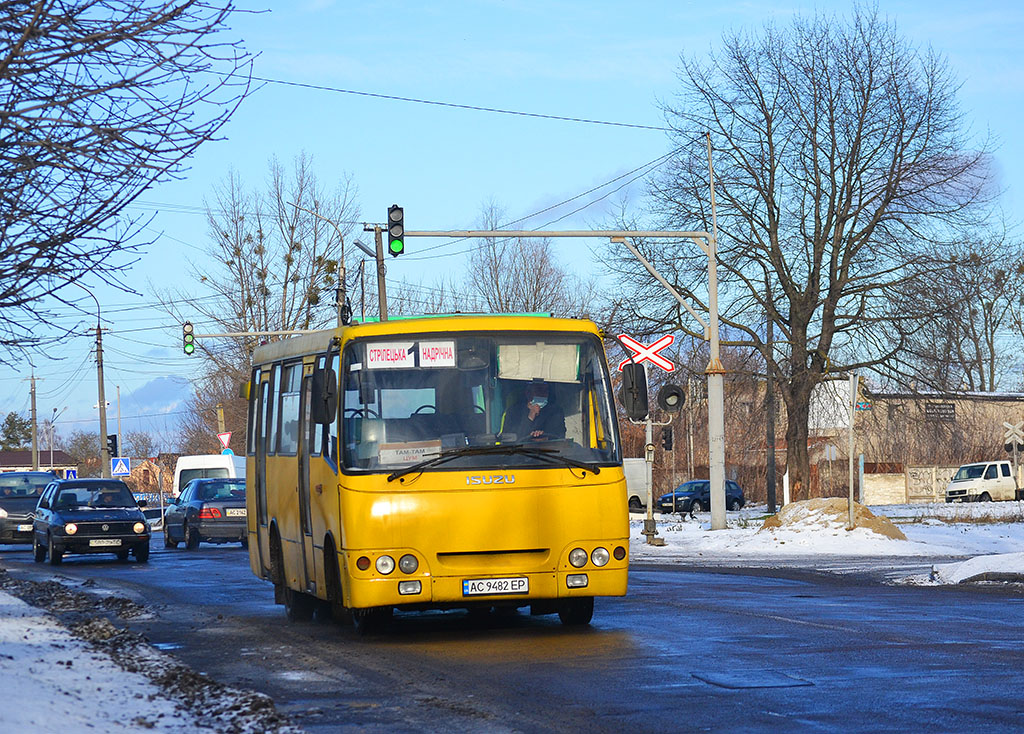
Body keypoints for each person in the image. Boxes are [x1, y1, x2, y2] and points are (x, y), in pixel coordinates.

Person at [501, 380, 566, 441]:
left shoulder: (555, 411)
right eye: (539, 390)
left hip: (550, 451)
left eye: (545, 391)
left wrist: (544, 437)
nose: (543, 394)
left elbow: (559, 436)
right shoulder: (513, 412)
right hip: (519, 452)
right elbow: (509, 438)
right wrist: (530, 417)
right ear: (528, 393)